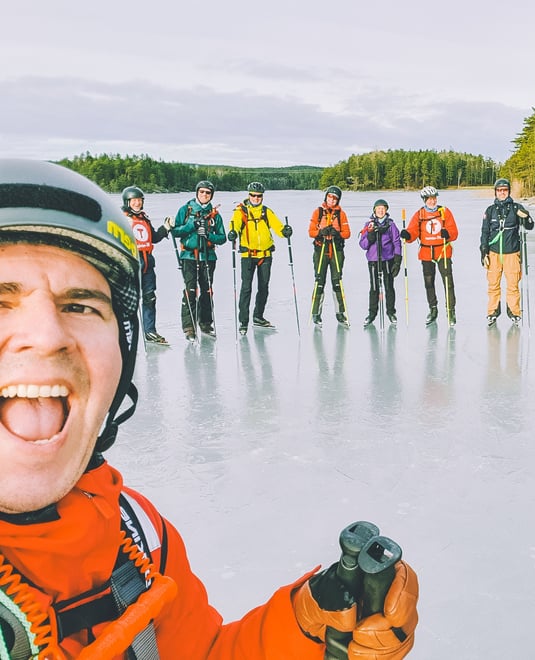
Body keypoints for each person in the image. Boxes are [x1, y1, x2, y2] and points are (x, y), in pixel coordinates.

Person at [0, 159, 419, 658]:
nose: (47, 337)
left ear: (122, 349)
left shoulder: (135, 533)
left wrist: (308, 627)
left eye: (82, 304)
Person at [228, 182, 292, 335]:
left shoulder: (266, 212)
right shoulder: (240, 212)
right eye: (253, 195)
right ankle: (243, 321)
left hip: (265, 255)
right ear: (248, 195)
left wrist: (285, 231)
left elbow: (277, 227)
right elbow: (235, 226)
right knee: (246, 288)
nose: (256, 198)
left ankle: (258, 316)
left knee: (263, 287)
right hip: (248, 256)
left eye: (259, 196)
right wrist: (233, 233)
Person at [169, 180, 226, 341]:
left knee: (207, 290)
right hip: (189, 257)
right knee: (190, 290)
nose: (204, 195)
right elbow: (175, 232)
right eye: (202, 192)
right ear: (197, 193)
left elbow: (222, 238)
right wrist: (192, 226)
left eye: (208, 193)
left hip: (208, 256)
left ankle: (205, 323)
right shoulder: (186, 210)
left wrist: (209, 236)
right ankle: (189, 326)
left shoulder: (215, 215)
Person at [401, 186, 459, 326]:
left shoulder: (444, 212)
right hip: (426, 253)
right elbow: (413, 231)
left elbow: (454, 232)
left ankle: (451, 311)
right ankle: (433, 309)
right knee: (429, 283)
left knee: (448, 283)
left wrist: (448, 234)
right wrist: (407, 235)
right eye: (429, 199)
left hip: (443, 252)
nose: (432, 202)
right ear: (424, 200)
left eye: (434, 199)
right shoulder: (419, 214)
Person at [121, 185, 171, 345]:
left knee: (150, 297)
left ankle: (150, 331)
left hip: (147, 263)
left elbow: (153, 238)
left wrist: (166, 228)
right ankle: (124, 332)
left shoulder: (144, 218)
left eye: (139, 200)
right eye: (134, 200)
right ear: (127, 202)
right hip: (132, 262)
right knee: (128, 299)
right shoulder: (121, 218)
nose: (137, 203)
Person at [480, 178, 534, 325]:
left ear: (508, 191)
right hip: (494, 253)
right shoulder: (490, 211)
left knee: (513, 284)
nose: (502, 193)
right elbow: (485, 232)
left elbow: (530, 226)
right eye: (499, 190)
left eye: (504, 190)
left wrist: (527, 216)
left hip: (512, 252)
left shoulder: (516, 208)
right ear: (496, 192)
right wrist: (483, 251)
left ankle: (514, 312)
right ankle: (493, 312)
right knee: (493, 284)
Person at [308, 186, 351, 328]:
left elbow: (347, 233)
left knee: (337, 281)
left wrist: (337, 234)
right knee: (319, 281)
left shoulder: (341, 214)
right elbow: (311, 231)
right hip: (321, 250)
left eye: (335, 198)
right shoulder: (318, 212)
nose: (332, 200)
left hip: (336, 250)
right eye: (330, 197)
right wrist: (321, 232)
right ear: (326, 197)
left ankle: (340, 313)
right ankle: (316, 313)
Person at [358, 199, 402, 327]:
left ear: (386, 210)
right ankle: (372, 313)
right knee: (374, 288)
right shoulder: (369, 225)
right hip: (373, 260)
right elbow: (363, 244)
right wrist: (370, 237)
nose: (380, 211)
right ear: (374, 210)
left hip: (387, 259)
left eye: (383, 208)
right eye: (378, 209)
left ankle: (391, 311)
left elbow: (396, 242)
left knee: (389, 286)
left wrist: (397, 260)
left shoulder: (391, 225)